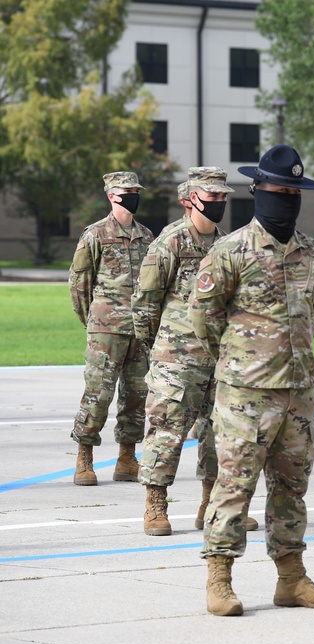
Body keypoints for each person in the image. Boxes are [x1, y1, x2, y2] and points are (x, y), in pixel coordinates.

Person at [189, 145, 314, 616]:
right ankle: (219, 578)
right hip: (245, 394)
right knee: (234, 485)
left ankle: (291, 579)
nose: (286, 198)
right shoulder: (230, 251)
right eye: (277, 189)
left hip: (298, 391)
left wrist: (289, 350)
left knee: (292, 488)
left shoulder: (313, 252)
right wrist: (241, 361)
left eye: (293, 191)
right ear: (257, 192)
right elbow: (203, 318)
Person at [133, 167, 259, 536]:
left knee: (219, 434)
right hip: (176, 357)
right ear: (190, 199)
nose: (219, 202)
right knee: (166, 430)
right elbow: (145, 303)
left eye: (223, 196)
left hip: (218, 356)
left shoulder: (226, 245)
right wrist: (159, 350)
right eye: (212, 196)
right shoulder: (170, 242)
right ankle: (155, 504)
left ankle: (211, 504)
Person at [68, 172, 154, 486]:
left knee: (136, 396)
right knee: (98, 395)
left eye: (136, 190)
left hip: (139, 332)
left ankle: (127, 457)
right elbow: (79, 285)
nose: (133, 195)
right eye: (127, 191)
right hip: (105, 330)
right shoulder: (95, 234)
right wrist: (93, 321)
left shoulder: (146, 236)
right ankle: (84, 456)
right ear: (111, 196)